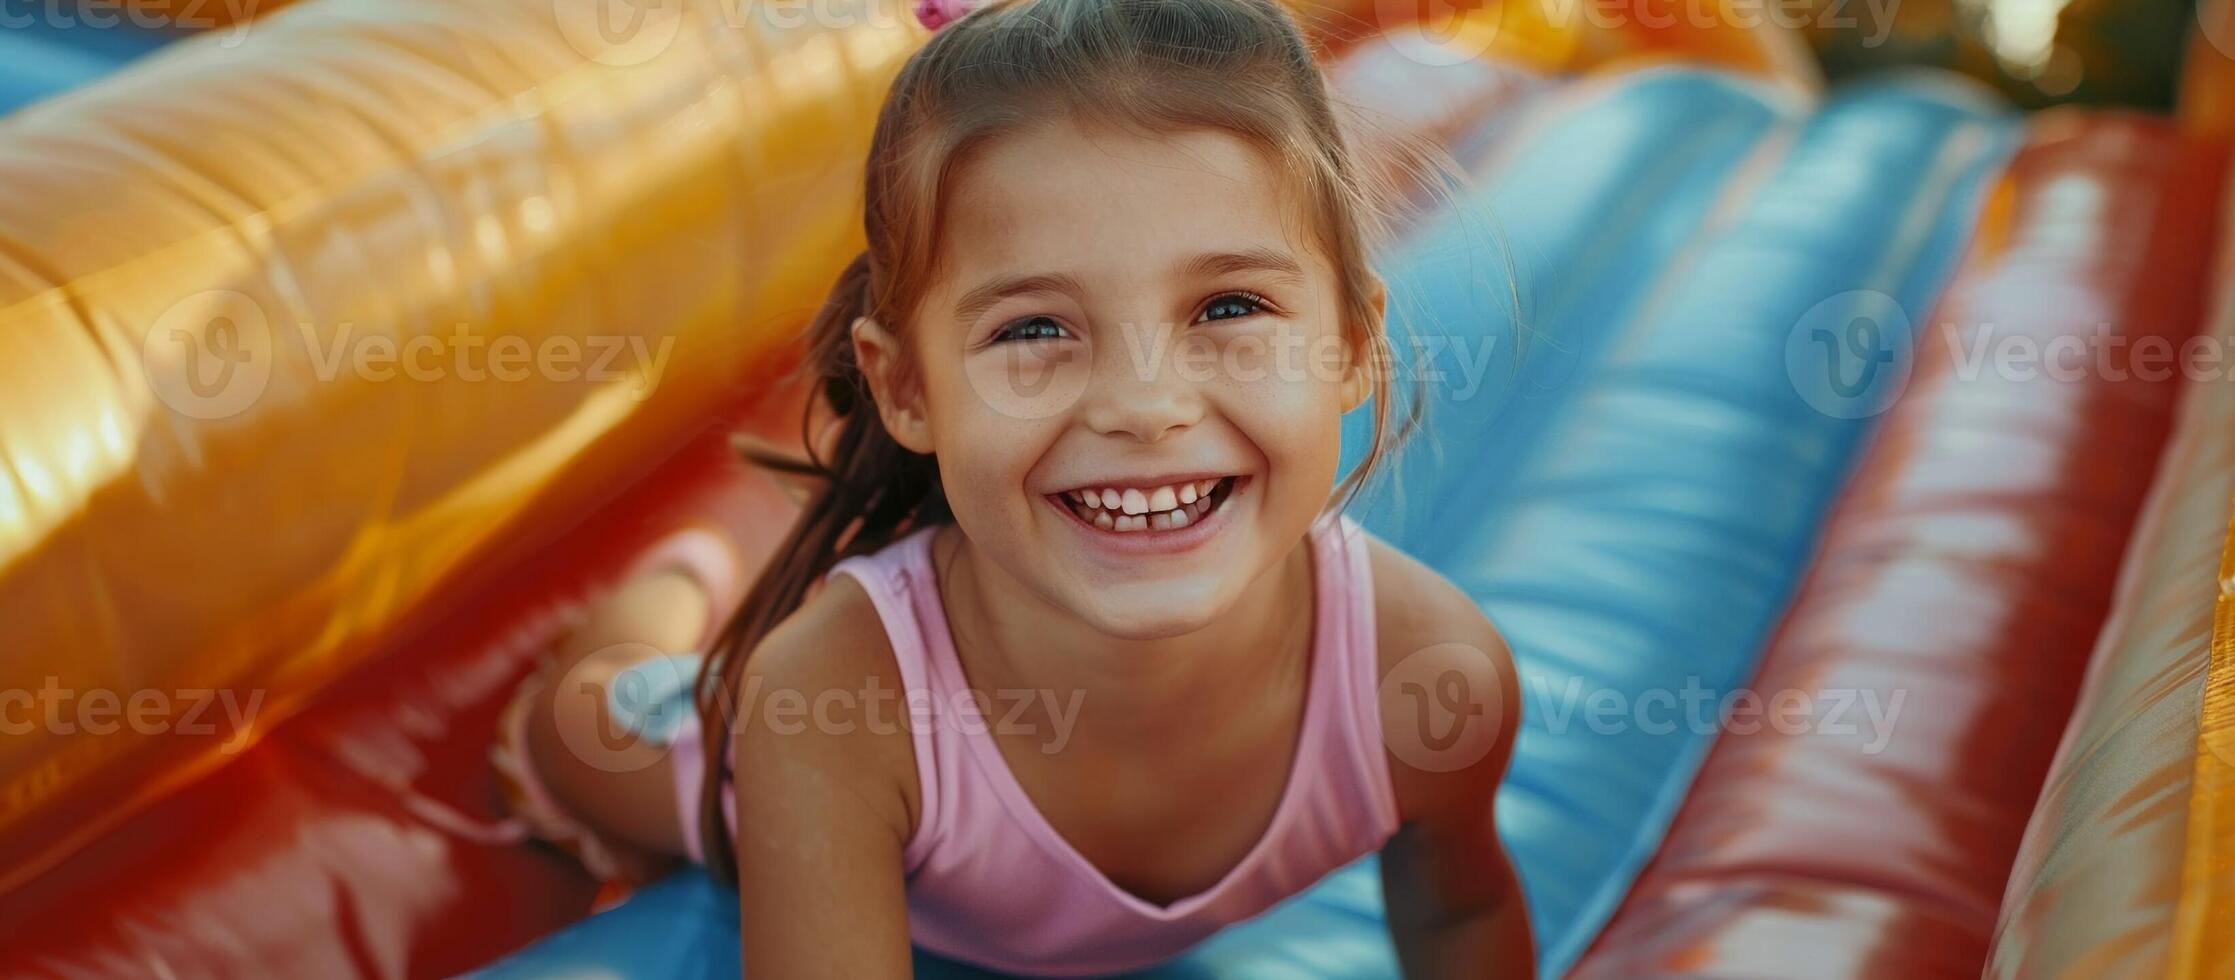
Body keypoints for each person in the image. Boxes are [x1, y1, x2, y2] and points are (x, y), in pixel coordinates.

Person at [493, 0, 1529, 975]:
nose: (1143, 403)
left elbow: (1460, 911)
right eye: (1035, 328)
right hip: (716, 750)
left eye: (1228, 307)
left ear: (1350, 340)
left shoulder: (1424, 670)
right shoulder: (829, 707)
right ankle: (676, 582)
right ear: (904, 386)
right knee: (585, 724)